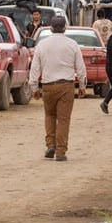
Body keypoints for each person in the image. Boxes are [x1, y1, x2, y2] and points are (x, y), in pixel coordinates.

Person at [29, 16, 87, 161]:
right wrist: (82, 85)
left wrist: (34, 88)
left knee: (49, 116)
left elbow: (35, 68)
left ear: (50, 28)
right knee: (63, 119)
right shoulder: (72, 44)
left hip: (48, 85)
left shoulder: (42, 45)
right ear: (65, 28)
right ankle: (61, 151)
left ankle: (50, 146)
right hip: (66, 85)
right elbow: (80, 67)